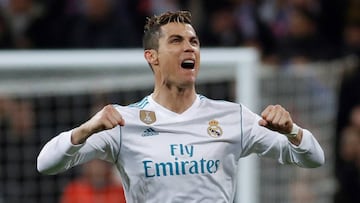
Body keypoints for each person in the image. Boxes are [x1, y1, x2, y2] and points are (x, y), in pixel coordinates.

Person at [37, 10, 325, 202]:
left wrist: (292, 132)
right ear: (152, 56)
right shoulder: (125, 122)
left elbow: (313, 158)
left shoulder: (231, 117)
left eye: (194, 41)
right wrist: (87, 129)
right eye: (176, 40)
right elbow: (46, 164)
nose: (190, 48)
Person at [60, 159, 126, 203]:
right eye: (93, 164)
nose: (98, 169)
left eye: (101, 163)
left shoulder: (120, 191)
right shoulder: (74, 190)